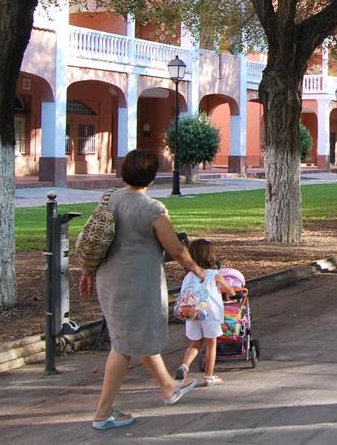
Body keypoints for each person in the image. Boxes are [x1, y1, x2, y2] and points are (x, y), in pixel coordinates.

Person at [79, 149, 208, 431]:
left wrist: (87, 270)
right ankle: (102, 413)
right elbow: (175, 248)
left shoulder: (110, 198)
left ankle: (167, 387)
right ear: (151, 176)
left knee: (130, 337)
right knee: (124, 346)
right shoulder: (152, 209)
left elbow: (95, 237)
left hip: (108, 279)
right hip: (135, 284)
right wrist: (198, 270)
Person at [174, 238, 236, 386]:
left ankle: (184, 366)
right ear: (210, 256)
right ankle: (209, 376)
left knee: (195, 342)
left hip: (192, 313)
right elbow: (231, 291)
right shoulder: (214, 274)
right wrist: (223, 291)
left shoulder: (188, 276)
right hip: (210, 314)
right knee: (211, 344)